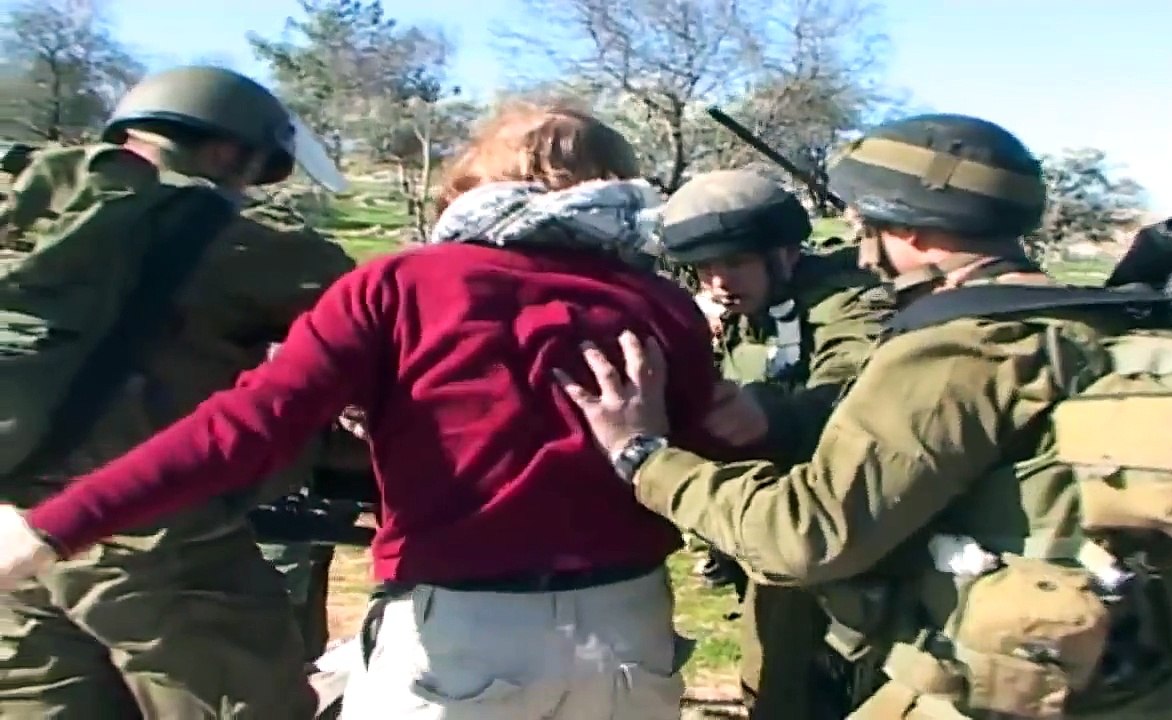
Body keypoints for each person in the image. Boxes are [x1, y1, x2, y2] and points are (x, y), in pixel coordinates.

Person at [0, 100, 739, 719]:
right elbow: (706, 443)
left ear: (472, 180)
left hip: (465, 628)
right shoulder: (662, 303)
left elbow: (247, 426)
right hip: (631, 620)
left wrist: (57, 524)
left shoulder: (401, 285)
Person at [557, 113, 1172, 718]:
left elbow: (808, 535)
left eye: (871, 224)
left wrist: (643, 458)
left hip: (1001, 697)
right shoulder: (1124, 330)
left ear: (912, 230)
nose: (861, 244)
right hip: (1151, 692)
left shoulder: (962, 348)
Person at [0, 65, 356, 719]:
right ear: (225, 151)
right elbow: (372, 319)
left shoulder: (23, 201)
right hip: (152, 543)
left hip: (9, 528)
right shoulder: (234, 239)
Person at [658, 169, 892, 718]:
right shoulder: (743, 316)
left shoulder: (846, 302)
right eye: (705, 268)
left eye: (735, 262)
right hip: (775, 534)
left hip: (849, 537)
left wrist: (773, 415)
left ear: (785, 254)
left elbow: (851, 390)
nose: (718, 281)